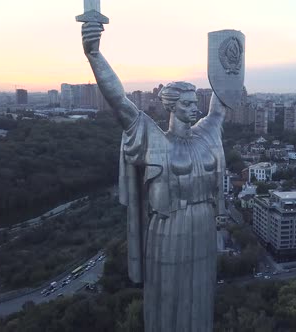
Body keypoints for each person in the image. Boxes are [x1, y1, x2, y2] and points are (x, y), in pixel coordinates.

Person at [82, 22, 226, 332]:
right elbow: (119, 101)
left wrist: (228, 64)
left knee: (200, 297)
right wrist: (94, 54)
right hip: (169, 228)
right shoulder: (154, 140)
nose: (193, 109)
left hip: (203, 224)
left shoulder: (206, 135)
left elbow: (220, 104)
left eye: (195, 102)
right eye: (186, 104)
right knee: (168, 297)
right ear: (172, 108)